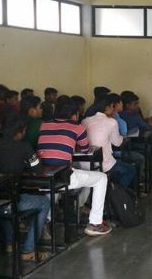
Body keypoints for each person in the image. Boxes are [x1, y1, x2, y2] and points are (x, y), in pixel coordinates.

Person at [37, 99, 110, 236]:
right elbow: (84, 149)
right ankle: (95, 223)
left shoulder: (44, 125)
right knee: (101, 178)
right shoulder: (77, 127)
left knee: (52, 187)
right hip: (63, 175)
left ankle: (46, 223)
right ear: (75, 114)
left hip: (42, 174)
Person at [0, 114, 51, 262]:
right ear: (20, 131)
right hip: (10, 200)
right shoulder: (24, 147)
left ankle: (10, 243)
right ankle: (28, 250)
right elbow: (38, 170)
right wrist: (36, 159)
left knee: (4, 198)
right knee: (44, 202)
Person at [82, 95, 136, 189]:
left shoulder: (85, 121)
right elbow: (117, 143)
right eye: (112, 107)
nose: (113, 109)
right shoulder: (112, 122)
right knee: (130, 170)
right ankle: (116, 193)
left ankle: (110, 188)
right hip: (103, 163)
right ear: (107, 108)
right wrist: (122, 137)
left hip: (85, 163)